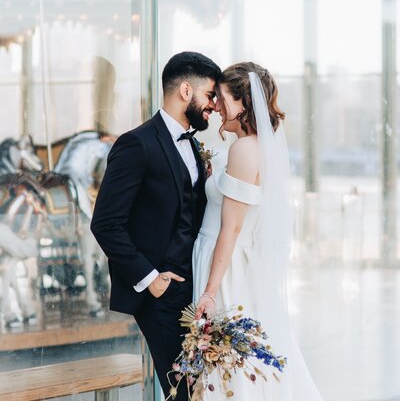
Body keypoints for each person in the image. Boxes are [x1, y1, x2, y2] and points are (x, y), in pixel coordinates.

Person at [91, 51, 221, 401]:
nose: (214, 106)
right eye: (210, 95)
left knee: (199, 392)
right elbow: (105, 223)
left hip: (193, 291)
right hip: (161, 293)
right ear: (185, 91)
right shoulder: (136, 144)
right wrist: (151, 280)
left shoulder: (192, 144)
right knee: (183, 392)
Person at [193, 62, 323, 400]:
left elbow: (232, 227)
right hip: (230, 261)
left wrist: (209, 291)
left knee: (229, 368)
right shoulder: (249, 147)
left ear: (244, 103)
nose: (216, 106)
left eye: (222, 98)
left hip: (225, 267)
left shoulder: (243, 149)